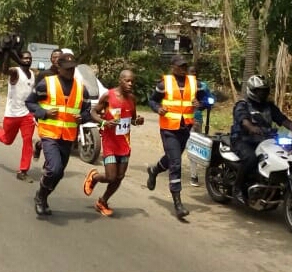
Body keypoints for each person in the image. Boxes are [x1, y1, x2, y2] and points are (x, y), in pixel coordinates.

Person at [25, 53, 93, 216]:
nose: (70, 71)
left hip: (68, 136)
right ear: (59, 68)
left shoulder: (81, 88)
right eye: (67, 69)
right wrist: (44, 112)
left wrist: (82, 117)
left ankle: (43, 195)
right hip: (49, 133)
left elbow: (87, 111)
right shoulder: (46, 84)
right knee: (54, 169)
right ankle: (41, 197)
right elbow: (30, 102)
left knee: (59, 173)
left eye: (73, 68)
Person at [229, 75, 292, 205]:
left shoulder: (269, 106)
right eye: (260, 91)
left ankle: (273, 184)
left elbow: (283, 120)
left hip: (264, 140)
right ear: (252, 91)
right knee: (251, 158)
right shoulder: (242, 105)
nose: (263, 93)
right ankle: (238, 189)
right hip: (243, 139)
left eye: (265, 90)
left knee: (283, 156)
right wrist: (251, 127)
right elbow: (243, 120)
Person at [82, 69, 144, 216]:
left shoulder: (132, 99)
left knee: (120, 177)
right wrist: (104, 122)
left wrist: (138, 121)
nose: (130, 84)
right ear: (120, 80)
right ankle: (95, 177)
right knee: (111, 176)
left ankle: (102, 202)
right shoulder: (108, 96)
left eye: (132, 81)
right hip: (110, 142)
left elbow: (132, 119)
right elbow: (93, 112)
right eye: (127, 81)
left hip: (124, 143)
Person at [145, 55, 200, 218]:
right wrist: (158, 109)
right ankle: (178, 204)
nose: (183, 69)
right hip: (169, 129)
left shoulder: (194, 83)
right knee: (176, 163)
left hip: (185, 128)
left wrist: (201, 104)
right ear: (173, 67)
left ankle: (154, 170)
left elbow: (206, 100)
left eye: (185, 66)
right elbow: (152, 101)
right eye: (180, 66)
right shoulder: (164, 84)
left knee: (171, 159)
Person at [0, 50, 37, 182]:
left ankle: (23, 170)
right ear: (19, 60)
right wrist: (7, 53)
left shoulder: (33, 74)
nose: (27, 60)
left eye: (29, 58)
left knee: (28, 141)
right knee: (8, 140)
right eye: (24, 58)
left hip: (27, 114)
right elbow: (5, 70)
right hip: (12, 114)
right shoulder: (15, 72)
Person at [187, 65, 211, 187]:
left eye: (195, 72)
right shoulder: (181, 86)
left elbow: (210, 99)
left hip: (197, 119)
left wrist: (203, 104)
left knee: (195, 146)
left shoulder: (202, 85)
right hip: (183, 121)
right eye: (191, 72)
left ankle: (194, 175)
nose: (193, 74)